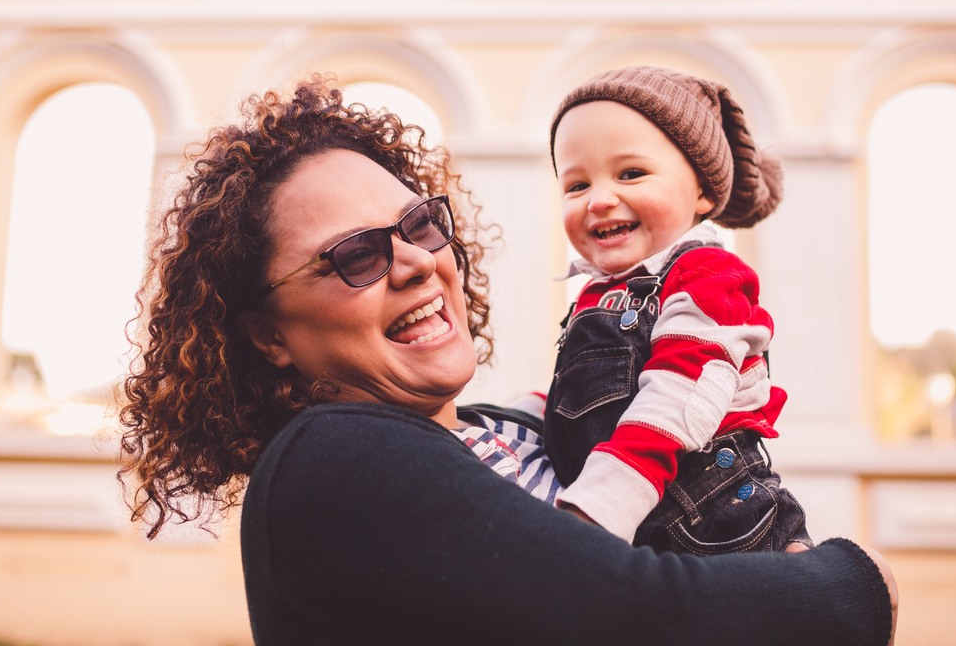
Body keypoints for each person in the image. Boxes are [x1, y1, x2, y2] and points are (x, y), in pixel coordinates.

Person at [120, 74, 897, 645]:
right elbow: (633, 613)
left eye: (420, 225)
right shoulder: (331, 455)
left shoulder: (511, 433)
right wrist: (857, 585)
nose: (417, 263)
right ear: (268, 335)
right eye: (354, 255)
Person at [546, 65, 809, 554]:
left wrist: (602, 504)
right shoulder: (599, 294)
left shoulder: (707, 275)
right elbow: (575, 401)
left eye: (631, 174)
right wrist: (510, 418)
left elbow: (681, 392)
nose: (599, 200)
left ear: (702, 191)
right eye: (576, 185)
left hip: (717, 523)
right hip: (638, 530)